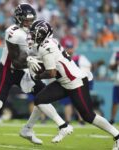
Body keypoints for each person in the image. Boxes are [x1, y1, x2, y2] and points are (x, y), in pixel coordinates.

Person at [0, 4, 72, 146]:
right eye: (26, 20)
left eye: (31, 20)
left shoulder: (36, 31)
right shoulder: (13, 32)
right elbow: (16, 61)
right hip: (9, 69)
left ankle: (28, 129)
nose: (29, 23)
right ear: (18, 19)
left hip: (24, 70)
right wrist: (31, 62)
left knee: (42, 96)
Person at [28, 20, 119, 149]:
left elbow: (52, 72)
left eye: (35, 33)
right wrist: (33, 60)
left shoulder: (46, 47)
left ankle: (117, 136)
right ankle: (63, 126)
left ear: (43, 33)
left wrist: (37, 75)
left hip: (76, 82)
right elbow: (53, 63)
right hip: (64, 82)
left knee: (88, 116)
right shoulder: (48, 43)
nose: (32, 36)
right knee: (40, 99)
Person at [109, 50, 119, 124]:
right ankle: (112, 119)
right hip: (117, 82)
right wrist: (116, 63)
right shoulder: (116, 53)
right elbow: (110, 66)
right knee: (115, 102)